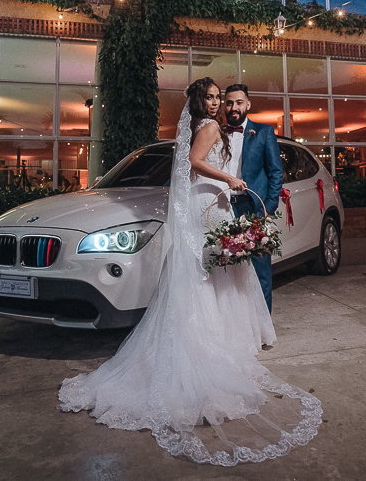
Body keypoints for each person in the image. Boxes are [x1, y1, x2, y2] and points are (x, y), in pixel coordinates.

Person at [59, 77, 321, 466]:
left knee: (215, 272)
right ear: (201, 100)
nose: (217, 103)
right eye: (211, 97)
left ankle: (223, 334)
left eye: (220, 98)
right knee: (215, 271)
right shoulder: (210, 126)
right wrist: (228, 178)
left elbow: (200, 169)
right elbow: (195, 163)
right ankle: (219, 339)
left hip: (208, 202)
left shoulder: (201, 126)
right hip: (212, 200)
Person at [222, 83, 283, 313]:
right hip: (223, 207)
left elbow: (276, 172)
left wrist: (268, 207)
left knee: (260, 270)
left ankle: (263, 325)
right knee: (226, 268)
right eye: (229, 103)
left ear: (248, 104)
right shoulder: (216, 133)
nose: (234, 107)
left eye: (239, 102)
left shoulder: (264, 132)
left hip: (252, 207)